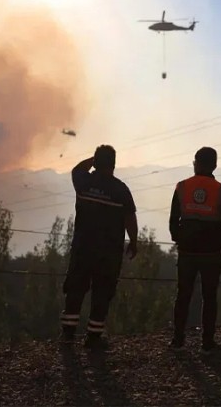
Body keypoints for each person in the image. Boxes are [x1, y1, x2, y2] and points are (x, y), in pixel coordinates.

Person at [60, 145, 138, 349]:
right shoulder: (121, 190)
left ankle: (68, 334)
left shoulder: (84, 182)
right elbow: (130, 218)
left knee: (75, 289)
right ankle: (93, 337)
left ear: (96, 161)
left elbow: (77, 169)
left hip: (82, 249)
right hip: (109, 253)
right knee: (103, 292)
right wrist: (134, 241)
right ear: (114, 164)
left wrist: (92, 161)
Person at [169, 147, 221, 352]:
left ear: (195, 163)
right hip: (212, 254)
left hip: (187, 252)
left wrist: (180, 240)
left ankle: (178, 340)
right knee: (210, 297)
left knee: (183, 295)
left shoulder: (182, 187)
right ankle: (207, 343)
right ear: (215, 165)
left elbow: (173, 221)